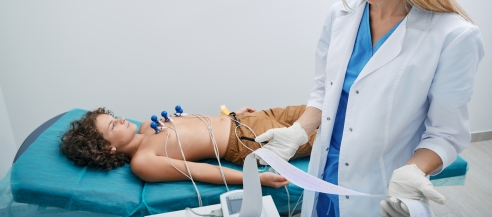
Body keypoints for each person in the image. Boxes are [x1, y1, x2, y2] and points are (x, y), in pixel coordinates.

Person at [253, 0, 485, 216]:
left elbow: (446, 134)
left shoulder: (453, 36)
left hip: (382, 193)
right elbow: (326, 89)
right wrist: (300, 130)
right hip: (324, 177)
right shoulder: (340, 16)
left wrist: (415, 170)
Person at [59, 105, 316, 188]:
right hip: (246, 141)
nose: (122, 120)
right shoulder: (144, 160)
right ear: (107, 149)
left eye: (114, 117)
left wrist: (233, 115)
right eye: (113, 126)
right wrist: (255, 180)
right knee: (339, 136)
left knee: (326, 106)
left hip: (247, 120)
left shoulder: (147, 127)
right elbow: (200, 171)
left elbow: (197, 124)